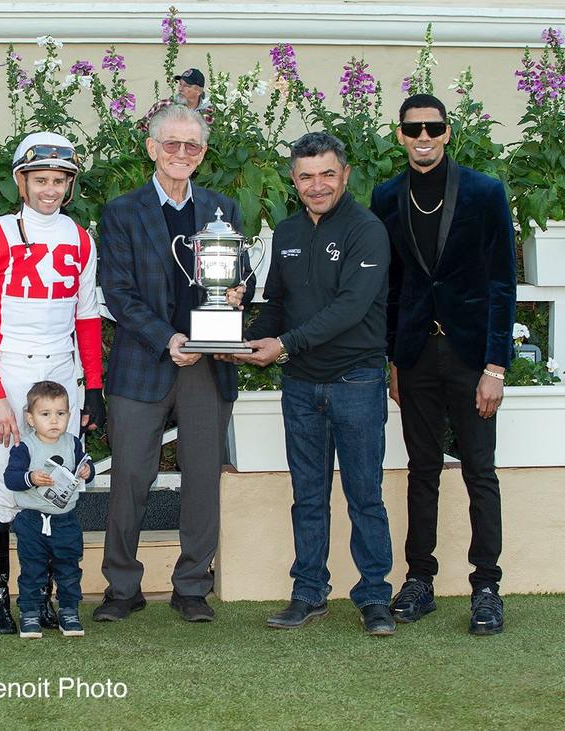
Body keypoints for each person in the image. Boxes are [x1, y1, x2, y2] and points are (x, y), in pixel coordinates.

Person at [95, 104, 253, 624]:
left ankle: (192, 585)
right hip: (143, 362)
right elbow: (117, 292)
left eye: (192, 146)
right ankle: (122, 587)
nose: (181, 153)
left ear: (203, 154)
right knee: (130, 480)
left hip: (208, 365)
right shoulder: (121, 211)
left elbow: (241, 275)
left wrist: (237, 293)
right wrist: (167, 338)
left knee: (203, 477)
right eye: (171, 144)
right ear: (151, 147)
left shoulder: (223, 209)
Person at [233, 131, 396, 636]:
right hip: (301, 385)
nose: (317, 184)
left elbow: (350, 309)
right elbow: (278, 305)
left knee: (365, 493)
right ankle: (308, 593)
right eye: (306, 176)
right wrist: (239, 339)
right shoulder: (284, 233)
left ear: (345, 174)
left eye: (327, 173)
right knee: (307, 495)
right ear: (293, 179)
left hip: (357, 381)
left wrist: (284, 345)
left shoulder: (367, 231)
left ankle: (373, 597)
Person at [371, 94, 516, 635]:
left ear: (447, 132)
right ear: (401, 135)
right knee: (421, 470)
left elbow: (503, 282)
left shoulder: (485, 191)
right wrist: (392, 359)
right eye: (413, 129)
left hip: (472, 355)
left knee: (480, 470)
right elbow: (390, 285)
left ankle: (486, 586)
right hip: (415, 356)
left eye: (433, 127)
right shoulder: (387, 197)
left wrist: (496, 366)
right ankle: (420, 579)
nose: (423, 136)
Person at [0, 131, 105, 635]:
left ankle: (44, 598)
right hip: (9, 368)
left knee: (58, 482)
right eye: (41, 179)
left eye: (60, 180)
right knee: (4, 484)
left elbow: (87, 316)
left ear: (70, 184)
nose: (50, 189)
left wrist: (95, 389)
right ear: (21, 180)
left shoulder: (81, 237)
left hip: (62, 371)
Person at [4, 381, 94, 639]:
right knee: (32, 570)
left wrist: (88, 472)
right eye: (46, 414)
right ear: (30, 419)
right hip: (32, 520)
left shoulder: (73, 443)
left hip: (66, 521)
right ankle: (30, 613)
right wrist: (30, 477)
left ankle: (69, 612)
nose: (54, 421)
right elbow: (11, 478)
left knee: (69, 569)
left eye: (61, 414)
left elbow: (84, 467)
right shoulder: (25, 447)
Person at [138, 68, 214, 132]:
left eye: (186, 86)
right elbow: (141, 129)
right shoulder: (163, 105)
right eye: (180, 84)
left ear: (199, 91)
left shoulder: (210, 113)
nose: (180, 89)